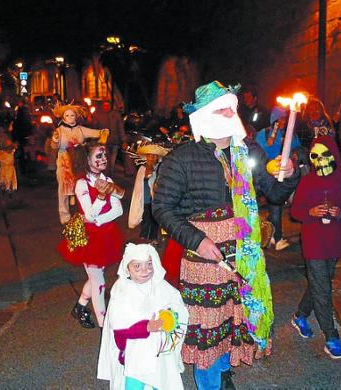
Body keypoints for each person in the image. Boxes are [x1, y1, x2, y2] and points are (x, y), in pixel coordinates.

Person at [152, 81, 299, 389]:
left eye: (232, 106)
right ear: (204, 115)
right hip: (205, 261)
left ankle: (221, 373)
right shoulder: (182, 159)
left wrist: (289, 173)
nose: (230, 112)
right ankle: (210, 381)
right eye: (221, 107)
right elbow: (163, 209)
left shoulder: (249, 153)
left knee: (234, 321)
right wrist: (198, 241)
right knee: (208, 327)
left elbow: (274, 193)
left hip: (243, 255)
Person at [289, 135, 341, 359]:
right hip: (312, 241)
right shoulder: (308, 181)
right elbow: (295, 211)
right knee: (323, 289)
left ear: (334, 156)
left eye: (324, 155)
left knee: (321, 283)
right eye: (315, 155)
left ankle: (300, 315)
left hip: (334, 241)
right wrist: (310, 212)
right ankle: (331, 337)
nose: (320, 160)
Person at [97, 243, 188, 390]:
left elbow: (178, 308)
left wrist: (170, 316)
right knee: (134, 385)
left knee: (162, 381)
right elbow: (119, 330)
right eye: (137, 266)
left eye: (149, 264)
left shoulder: (161, 286)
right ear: (128, 268)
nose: (144, 270)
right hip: (135, 356)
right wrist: (146, 327)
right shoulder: (122, 292)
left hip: (160, 354)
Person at [56, 140, 124, 329]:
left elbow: (118, 210)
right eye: (99, 156)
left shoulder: (107, 180)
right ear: (87, 160)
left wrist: (100, 219)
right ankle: (105, 325)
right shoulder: (81, 184)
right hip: (89, 238)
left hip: (106, 234)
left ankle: (80, 307)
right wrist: (102, 198)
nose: (104, 159)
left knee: (96, 277)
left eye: (104, 155)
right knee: (98, 280)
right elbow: (89, 214)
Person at [50, 104, 109, 224]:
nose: (70, 117)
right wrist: (55, 139)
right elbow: (54, 146)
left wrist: (104, 133)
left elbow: (97, 133)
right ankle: (65, 216)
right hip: (64, 162)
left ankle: (84, 213)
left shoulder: (81, 129)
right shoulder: (59, 130)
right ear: (63, 117)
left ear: (76, 116)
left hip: (78, 162)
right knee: (63, 189)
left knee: (81, 187)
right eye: (67, 115)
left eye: (72, 115)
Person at [255, 106, 303, 250]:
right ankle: (276, 236)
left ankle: (274, 235)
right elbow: (257, 151)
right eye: (280, 118)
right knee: (274, 206)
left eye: (285, 118)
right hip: (266, 173)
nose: (282, 121)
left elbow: (297, 150)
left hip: (283, 172)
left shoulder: (290, 135)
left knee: (277, 205)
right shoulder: (263, 134)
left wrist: (293, 158)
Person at [128, 143, 170, 242]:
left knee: (155, 219)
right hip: (146, 198)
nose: (151, 158)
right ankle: (143, 236)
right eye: (149, 155)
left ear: (157, 157)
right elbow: (139, 185)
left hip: (156, 199)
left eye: (154, 156)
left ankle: (153, 237)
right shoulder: (142, 169)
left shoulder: (160, 169)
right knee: (146, 218)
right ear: (146, 157)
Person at [92, 101, 126, 178]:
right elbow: (94, 128)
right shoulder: (98, 115)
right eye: (105, 105)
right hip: (103, 142)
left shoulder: (116, 115)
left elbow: (121, 128)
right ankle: (105, 174)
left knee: (112, 160)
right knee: (105, 158)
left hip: (114, 142)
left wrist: (124, 140)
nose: (106, 107)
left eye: (108, 105)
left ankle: (109, 174)